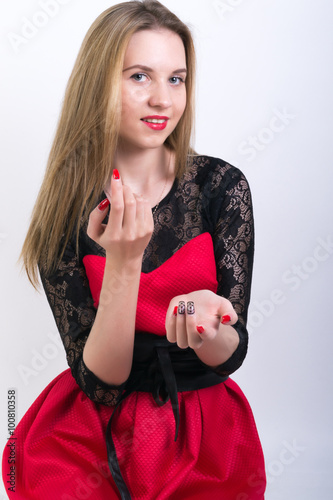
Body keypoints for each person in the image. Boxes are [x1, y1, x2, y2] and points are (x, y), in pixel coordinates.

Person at [2, 1, 266, 498]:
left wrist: (208, 326)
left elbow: (231, 356)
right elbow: (101, 383)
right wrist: (123, 265)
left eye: (176, 79)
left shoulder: (221, 187)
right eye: (140, 76)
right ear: (98, 84)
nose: (163, 100)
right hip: (90, 437)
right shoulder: (67, 207)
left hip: (203, 435)